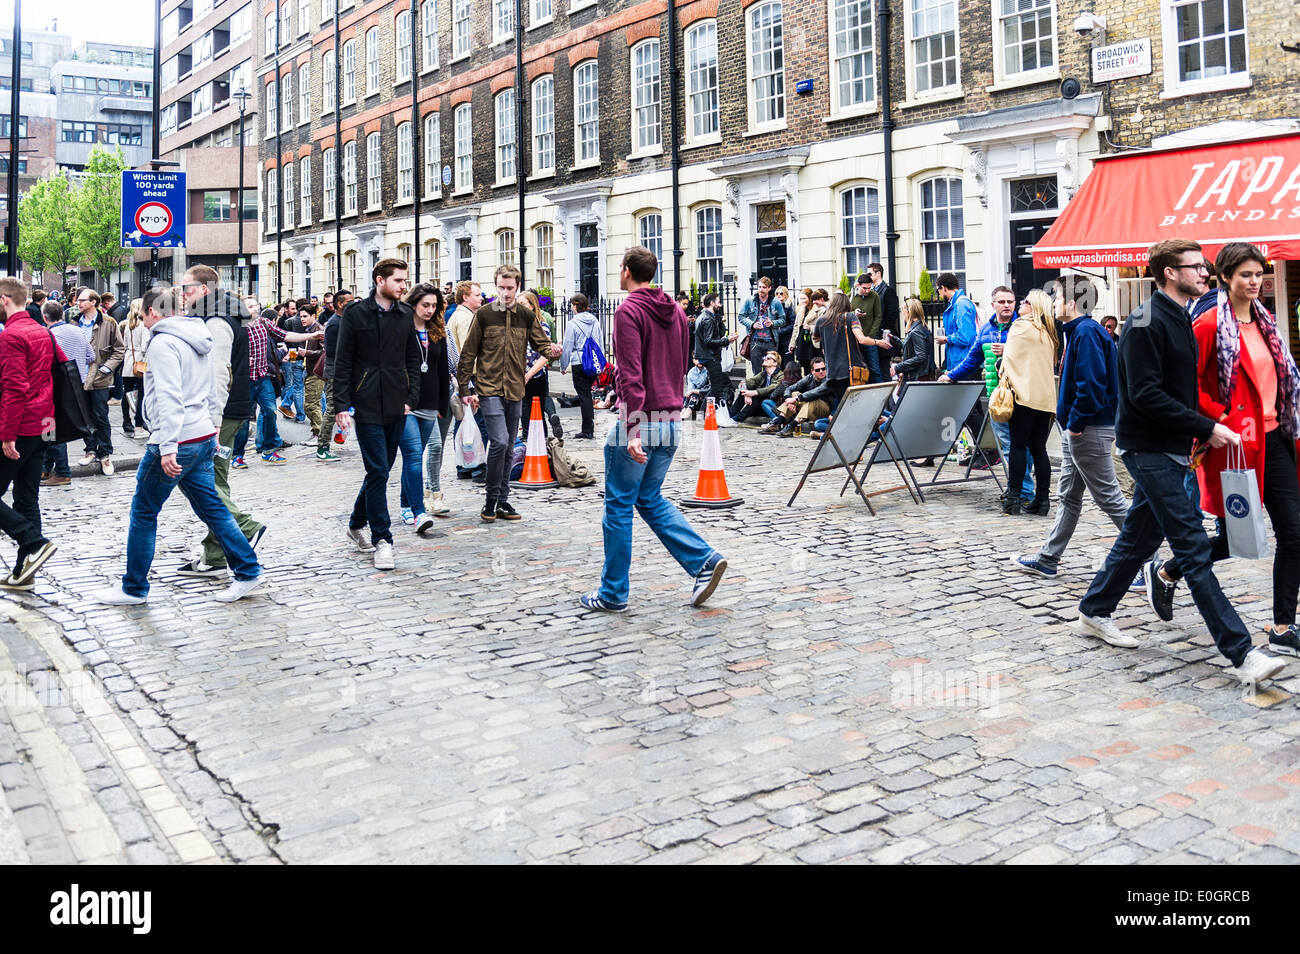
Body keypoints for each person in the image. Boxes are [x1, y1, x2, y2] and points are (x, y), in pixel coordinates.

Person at [1075, 239, 1283, 687]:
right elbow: (1145, 394)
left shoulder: (1181, 316)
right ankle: (1243, 653)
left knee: (1137, 538)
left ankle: (1094, 610)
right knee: (1192, 545)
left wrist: (1203, 426)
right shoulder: (1144, 322)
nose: (1205, 273)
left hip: (1173, 446)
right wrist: (1206, 426)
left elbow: (1183, 388)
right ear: (1170, 272)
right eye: (1196, 267)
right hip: (1147, 449)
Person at [1146, 243, 1300, 658]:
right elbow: (1185, 386)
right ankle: (1167, 569)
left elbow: (1280, 379)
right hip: (1234, 444)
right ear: (1226, 278)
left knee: (1294, 532)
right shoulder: (1209, 324)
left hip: (1275, 438)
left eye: (1259, 275)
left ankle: (1283, 626)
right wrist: (1218, 421)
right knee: (1236, 538)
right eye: (1246, 275)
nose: (1254, 282)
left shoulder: (1267, 322)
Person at [91, 287, 263, 605]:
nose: (142, 321)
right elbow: (214, 383)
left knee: (143, 513)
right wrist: (212, 428)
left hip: (176, 440)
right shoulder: (199, 335)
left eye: (143, 315)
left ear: (154, 312)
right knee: (213, 508)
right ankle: (248, 570)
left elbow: (169, 397)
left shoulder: (163, 342)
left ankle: (134, 588)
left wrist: (167, 446)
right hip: (199, 436)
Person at [579, 246, 727, 612]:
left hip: (640, 420)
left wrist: (630, 429)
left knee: (618, 506)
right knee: (648, 498)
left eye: (619, 267)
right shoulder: (676, 311)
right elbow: (676, 364)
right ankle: (704, 561)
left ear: (627, 270)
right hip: (671, 419)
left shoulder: (629, 310)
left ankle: (613, 593)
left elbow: (631, 373)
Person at [1013, 280, 1130, 577]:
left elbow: (1091, 385)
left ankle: (1151, 560)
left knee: (1110, 498)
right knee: (1068, 495)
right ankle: (1048, 558)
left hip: (1088, 429)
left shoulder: (1086, 333)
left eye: (1058, 298)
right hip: (1081, 428)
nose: (1053, 303)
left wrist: (1076, 425)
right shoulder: (1080, 332)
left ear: (1072, 303)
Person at [178, 264, 270, 578]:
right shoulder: (218, 313)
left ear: (204, 290)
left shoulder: (217, 319)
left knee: (207, 483)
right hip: (227, 411)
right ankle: (216, 553)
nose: (181, 293)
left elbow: (218, 375)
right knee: (214, 481)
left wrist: (213, 423)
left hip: (220, 413)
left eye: (186, 287)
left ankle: (245, 527)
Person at [334, 258, 422, 570]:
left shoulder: (405, 314)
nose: (403, 286)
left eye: (405, 280)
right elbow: (343, 361)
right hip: (366, 403)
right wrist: (341, 406)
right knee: (379, 471)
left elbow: (413, 358)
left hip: (398, 404)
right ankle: (382, 540)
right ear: (379, 280)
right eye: (398, 280)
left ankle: (356, 523)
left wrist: (411, 397)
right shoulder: (356, 314)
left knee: (379, 471)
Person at [455, 264, 561, 522]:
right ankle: (491, 499)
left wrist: (553, 351)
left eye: (510, 288)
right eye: (501, 287)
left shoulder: (526, 315)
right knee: (500, 442)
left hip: (515, 388)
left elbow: (541, 343)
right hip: (488, 387)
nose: (505, 293)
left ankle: (503, 500)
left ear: (518, 287)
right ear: (496, 286)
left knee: (509, 446)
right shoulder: (484, 314)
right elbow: (468, 352)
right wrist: (464, 388)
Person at [0, 279, 59, 591]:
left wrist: (7, 435)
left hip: (20, 426)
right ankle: (26, 570)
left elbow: (14, 387)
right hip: (43, 423)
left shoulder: (11, 335)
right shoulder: (42, 331)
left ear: (5, 299)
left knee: (24, 497)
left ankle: (32, 541)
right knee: (26, 496)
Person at [941, 286, 1024, 483]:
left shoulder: (1022, 327)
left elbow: (1033, 355)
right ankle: (1017, 486)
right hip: (996, 394)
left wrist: (1008, 350)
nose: (1006, 305)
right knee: (1005, 441)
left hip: (1021, 392)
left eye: (1010, 302)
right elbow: (972, 359)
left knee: (1021, 443)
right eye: (1002, 302)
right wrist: (951, 375)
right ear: (993, 304)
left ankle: (1021, 487)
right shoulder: (986, 329)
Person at [396, 283, 451, 534]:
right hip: (406, 404)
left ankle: (405, 504)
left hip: (430, 404)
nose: (429, 310)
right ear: (414, 304)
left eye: (433, 306)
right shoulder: (400, 329)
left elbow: (441, 370)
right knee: (414, 454)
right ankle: (419, 512)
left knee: (413, 459)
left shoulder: (437, 332)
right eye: (425, 305)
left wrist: (441, 404)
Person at [1000, 289, 1058, 516]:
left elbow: (1009, 361)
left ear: (1033, 307)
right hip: (1045, 398)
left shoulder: (1020, 326)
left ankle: (1013, 497)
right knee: (1039, 449)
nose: (1020, 304)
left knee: (1018, 446)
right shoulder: (1049, 332)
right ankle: (1042, 499)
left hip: (1023, 395)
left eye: (1024, 301)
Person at [239, 306, 320, 463]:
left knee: (270, 412)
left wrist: (311, 335)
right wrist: (241, 359)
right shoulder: (237, 325)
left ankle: (268, 450)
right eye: (249, 305)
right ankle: (237, 455)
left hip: (263, 377)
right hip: (245, 379)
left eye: (255, 305)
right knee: (242, 419)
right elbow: (227, 348)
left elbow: (286, 335)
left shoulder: (264, 323)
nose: (253, 308)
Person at [40, 301, 94, 489]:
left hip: (55, 386)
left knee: (51, 428)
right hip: (76, 384)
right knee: (55, 426)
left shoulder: (49, 335)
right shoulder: (78, 330)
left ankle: (62, 471)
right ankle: (45, 467)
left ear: (45, 317)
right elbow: (91, 355)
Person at [75, 288, 125, 475]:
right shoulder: (75, 322)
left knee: (101, 416)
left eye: (82, 300)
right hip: (79, 377)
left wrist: (108, 367)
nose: (78, 303)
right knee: (85, 416)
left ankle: (104, 454)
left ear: (93, 302)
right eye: (78, 300)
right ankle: (90, 449)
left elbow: (120, 349)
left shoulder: (108, 322)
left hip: (99, 378)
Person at [812, 291, 871, 413]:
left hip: (833, 371)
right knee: (857, 406)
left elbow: (816, 338)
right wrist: (878, 342)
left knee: (842, 405)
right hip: (850, 370)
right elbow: (861, 339)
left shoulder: (821, 320)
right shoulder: (850, 317)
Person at [315, 288, 353, 463]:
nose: (353, 305)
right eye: (349, 302)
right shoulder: (335, 323)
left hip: (344, 372)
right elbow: (330, 351)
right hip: (335, 373)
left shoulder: (344, 321)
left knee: (347, 407)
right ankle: (322, 448)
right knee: (331, 410)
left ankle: (341, 434)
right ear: (339, 304)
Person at [560, 293, 601, 439]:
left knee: (584, 396)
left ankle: (587, 430)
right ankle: (589, 428)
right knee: (587, 395)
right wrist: (600, 363)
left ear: (576, 305)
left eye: (572, 304)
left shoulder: (572, 323)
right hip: (592, 361)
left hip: (579, 361)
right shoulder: (595, 320)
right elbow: (599, 342)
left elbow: (567, 345)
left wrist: (563, 365)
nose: (571, 307)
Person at [520, 290, 560, 438]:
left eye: (522, 304)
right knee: (525, 413)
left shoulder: (541, 326)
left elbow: (545, 355)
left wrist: (529, 375)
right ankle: (529, 442)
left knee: (537, 416)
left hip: (535, 376)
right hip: (519, 375)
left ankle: (542, 447)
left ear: (531, 306)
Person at [759, 357, 832, 437]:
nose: (821, 371)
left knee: (810, 400)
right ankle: (778, 421)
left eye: (823, 369)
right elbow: (789, 388)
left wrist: (796, 399)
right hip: (810, 411)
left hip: (826, 411)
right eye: (818, 370)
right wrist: (789, 400)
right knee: (794, 393)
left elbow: (815, 393)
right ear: (812, 371)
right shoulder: (809, 378)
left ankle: (791, 426)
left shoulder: (828, 380)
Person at [692, 292, 737, 411]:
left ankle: (705, 413)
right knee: (716, 388)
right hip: (710, 357)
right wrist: (726, 340)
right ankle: (704, 413)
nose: (720, 305)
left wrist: (725, 340)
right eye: (718, 302)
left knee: (715, 387)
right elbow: (708, 341)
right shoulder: (707, 318)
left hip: (706, 356)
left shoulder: (703, 316)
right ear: (711, 303)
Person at [289, 303, 326, 440]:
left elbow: (324, 352)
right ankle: (317, 432)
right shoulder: (309, 330)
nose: (302, 319)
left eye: (305, 316)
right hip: (309, 370)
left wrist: (307, 353)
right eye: (301, 317)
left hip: (316, 372)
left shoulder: (318, 330)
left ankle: (319, 435)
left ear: (313, 316)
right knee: (312, 404)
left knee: (311, 404)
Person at [738, 276, 786, 375]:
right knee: (757, 373)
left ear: (769, 288)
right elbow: (741, 317)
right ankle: (758, 390)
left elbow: (783, 320)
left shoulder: (776, 302)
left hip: (771, 342)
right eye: (759, 287)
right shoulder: (750, 300)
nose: (761, 290)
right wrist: (752, 324)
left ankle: (770, 390)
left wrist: (772, 323)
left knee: (772, 371)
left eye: (764, 287)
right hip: (755, 342)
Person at [277, 299, 312, 425]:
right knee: (299, 385)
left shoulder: (289, 322)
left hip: (293, 354)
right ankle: (289, 407)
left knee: (295, 384)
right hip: (304, 356)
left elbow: (287, 342)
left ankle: (290, 408)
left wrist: (291, 357)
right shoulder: (308, 322)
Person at [935, 272, 977, 377]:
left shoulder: (961, 304)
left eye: (938, 290)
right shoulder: (955, 304)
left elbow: (965, 336)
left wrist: (946, 339)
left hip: (964, 363)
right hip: (960, 362)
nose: (939, 294)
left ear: (943, 288)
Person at [119, 298, 149, 440]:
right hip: (140, 363)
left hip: (128, 362)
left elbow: (124, 345)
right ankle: (139, 425)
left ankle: (126, 421)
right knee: (142, 394)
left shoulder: (127, 326)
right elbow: (144, 347)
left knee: (127, 393)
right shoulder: (143, 326)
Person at [849, 273, 886, 382]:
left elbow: (878, 317)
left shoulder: (874, 296)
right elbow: (845, 315)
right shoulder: (850, 297)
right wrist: (854, 313)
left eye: (870, 288)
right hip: (854, 339)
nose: (867, 290)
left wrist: (871, 335)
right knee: (857, 370)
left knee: (875, 369)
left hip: (869, 338)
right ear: (858, 286)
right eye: (865, 288)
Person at [729, 351, 784, 425]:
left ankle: (736, 419)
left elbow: (772, 388)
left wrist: (754, 393)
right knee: (743, 393)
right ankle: (729, 416)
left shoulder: (781, 376)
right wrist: (746, 394)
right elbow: (746, 382)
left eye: (768, 358)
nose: (765, 359)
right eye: (765, 357)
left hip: (771, 406)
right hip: (758, 406)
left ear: (775, 363)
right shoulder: (763, 374)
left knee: (756, 397)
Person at [890, 297, 936, 384]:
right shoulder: (920, 327)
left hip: (918, 377)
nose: (902, 312)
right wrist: (895, 339)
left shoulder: (916, 331)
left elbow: (920, 356)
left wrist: (898, 367)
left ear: (908, 311)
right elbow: (911, 349)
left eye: (902, 309)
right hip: (921, 375)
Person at [869, 263, 900, 338]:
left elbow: (893, 313)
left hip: (884, 334)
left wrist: (882, 328)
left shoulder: (888, 291)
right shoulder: (870, 291)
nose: (868, 276)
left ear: (878, 273)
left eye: (870, 274)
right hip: (874, 333)